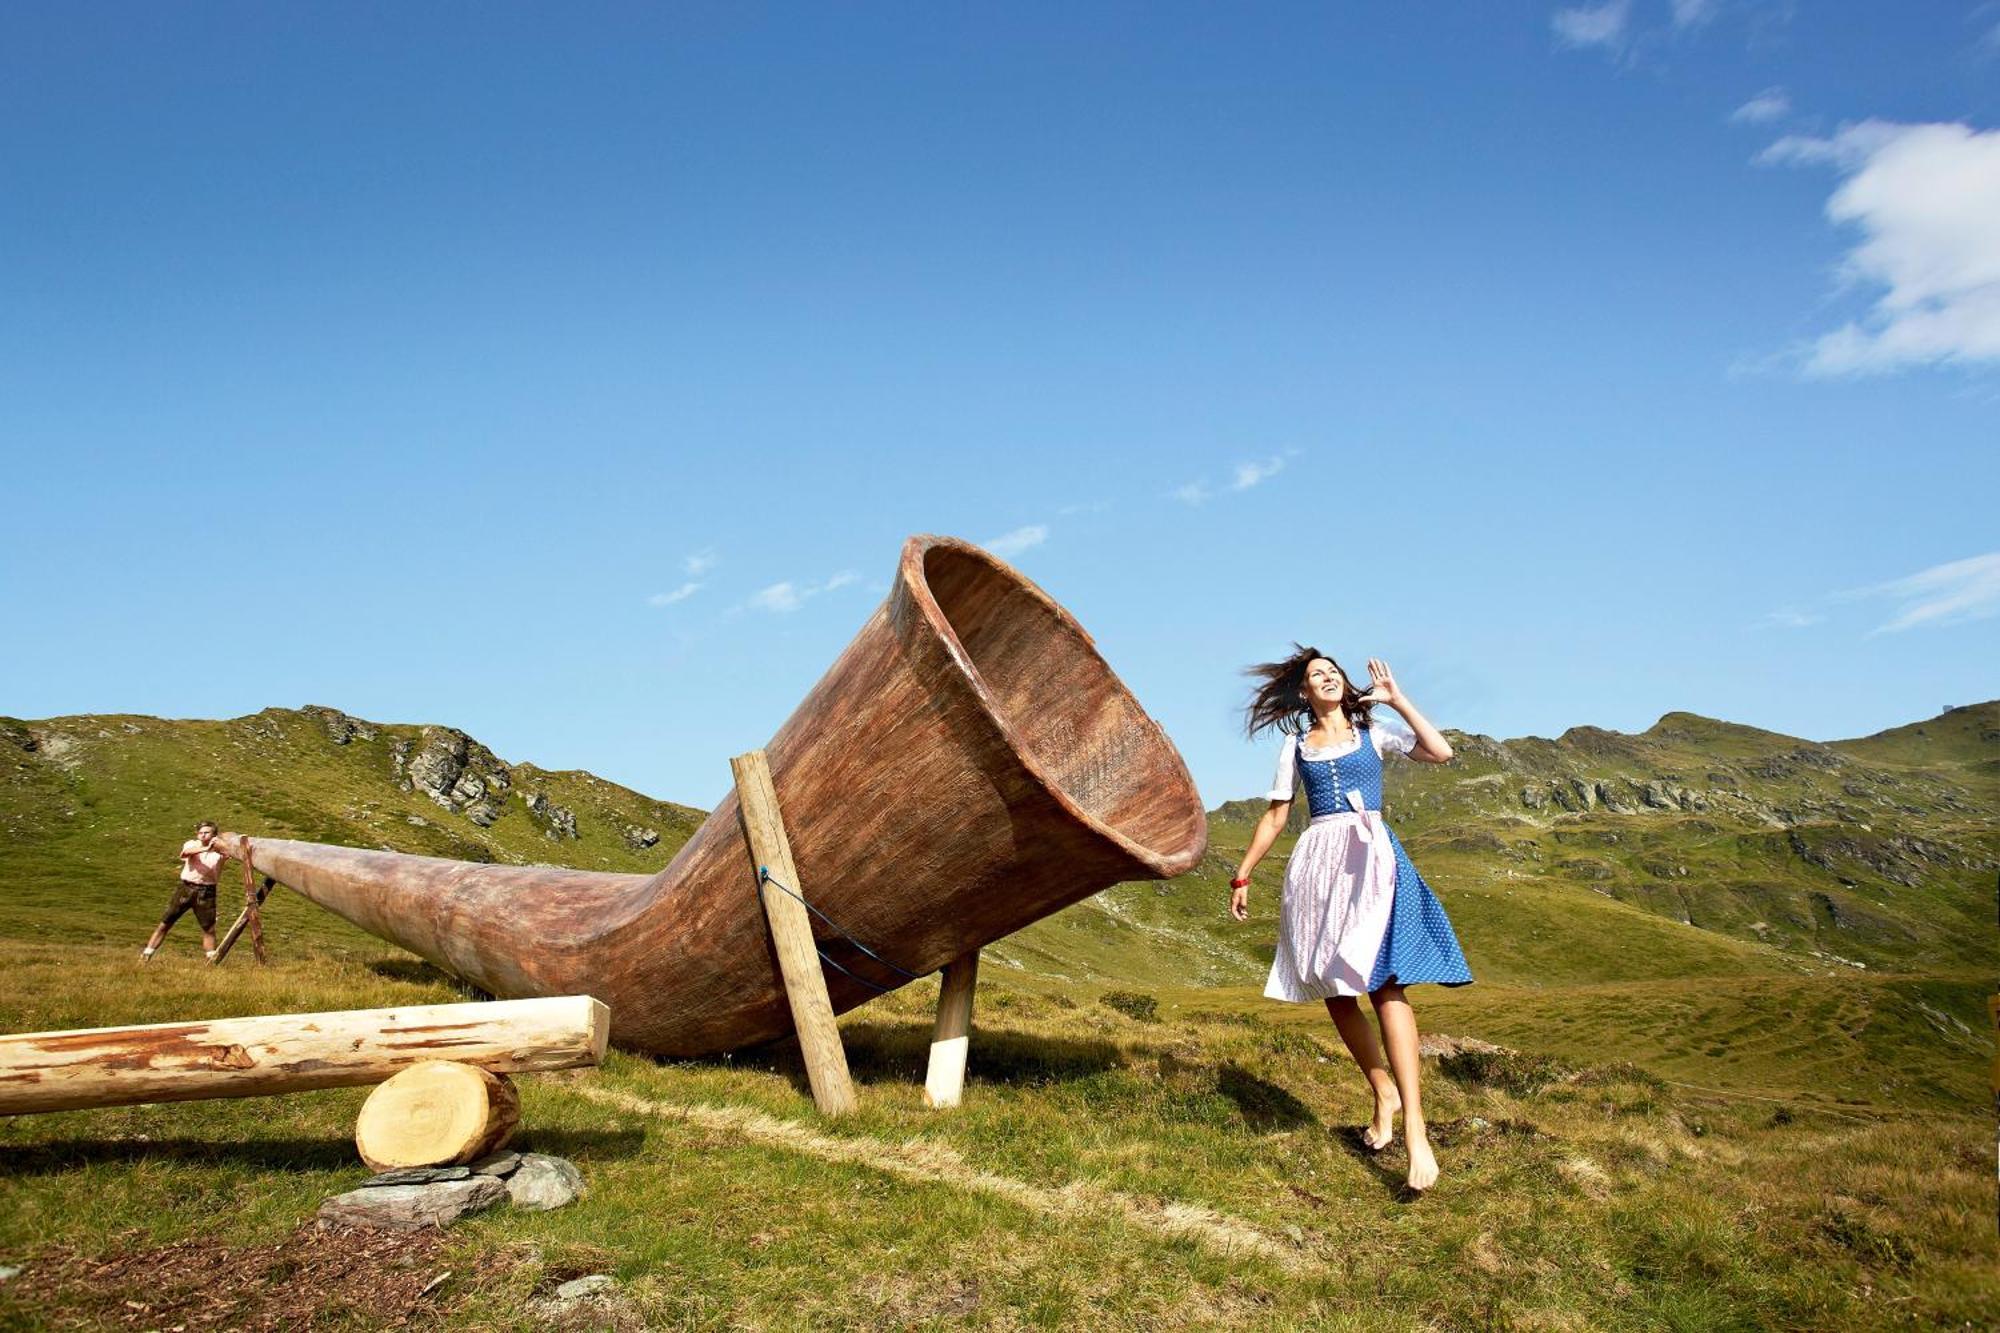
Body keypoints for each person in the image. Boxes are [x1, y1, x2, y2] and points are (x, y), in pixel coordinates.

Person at [1229, 647, 1472, 1192]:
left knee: (1386, 986)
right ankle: (1381, 1089)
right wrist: (1243, 873)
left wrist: (1398, 700)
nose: (1329, 679)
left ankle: (1415, 1129)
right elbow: (1275, 815)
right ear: (1304, 693)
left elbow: (1441, 752)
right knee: (1337, 991)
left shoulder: (1375, 730)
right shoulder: (1295, 747)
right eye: (1318, 675)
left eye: (1334, 673)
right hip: (1319, 866)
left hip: (1374, 860)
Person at [142, 820, 227, 962]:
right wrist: (206, 849)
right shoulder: (192, 844)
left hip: (207, 891)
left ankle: (211, 961)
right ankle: (146, 956)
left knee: (209, 928)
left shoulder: (221, 850)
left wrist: (219, 844)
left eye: (207, 832)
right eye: (200, 832)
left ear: (214, 835)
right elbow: (187, 852)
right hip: (186, 888)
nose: (203, 835)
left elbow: (234, 850)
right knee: (166, 922)